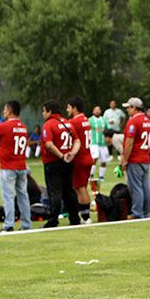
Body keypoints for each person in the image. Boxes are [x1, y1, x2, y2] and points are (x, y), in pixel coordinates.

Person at [0, 100, 32, 232]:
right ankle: (26, 224)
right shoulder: (23, 127)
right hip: (21, 164)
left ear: (10, 110)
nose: (3, 112)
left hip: (8, 166)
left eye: (5, 109)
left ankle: (8, 224)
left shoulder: (3, 126)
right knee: (23, 195)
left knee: (8, 196)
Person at [41, 100, 79, 228]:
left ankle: (53, 219)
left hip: (54, 162)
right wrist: (72, 153)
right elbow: (77, 141)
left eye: (44, 111)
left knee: (55, 192)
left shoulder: (49, 124)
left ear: (50, 111)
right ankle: (75, 217)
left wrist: (61, 156)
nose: (43, 114)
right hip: (68, 161)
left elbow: (49, 144)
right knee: (69, 191)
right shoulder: (67, 123)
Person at [121, 97, 150, 219]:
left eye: (129, 107)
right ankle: (146, 211)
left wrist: (125, 159)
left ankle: (137, 213)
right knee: (145, 187)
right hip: (145, 157)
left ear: (134, 108)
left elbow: (129, 142)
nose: (127, 110)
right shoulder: (147, 121)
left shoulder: (133, 121)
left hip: (135, 158)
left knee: (136, 187)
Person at [66, 96, 94, 224]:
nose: (67, 110)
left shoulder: (73, 122)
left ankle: (85, 217)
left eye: (69, 107)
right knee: (84, 187)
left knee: (80, 188)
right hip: (88, 156)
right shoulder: (86, 120)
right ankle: (86, 215)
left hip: (79, 158)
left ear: (75, 108)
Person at [88, 105, 111, 192]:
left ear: (100, 111)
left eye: (98, 110)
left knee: (104, 161)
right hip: (94, 143)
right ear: (93, 111)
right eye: (95, 110)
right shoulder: (90, 120)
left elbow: (107, 130)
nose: (97, 111)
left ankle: (101, 176)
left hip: (103, 143)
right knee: (94, 158)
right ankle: (91, 175)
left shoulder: (104, 120)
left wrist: (107, 138)